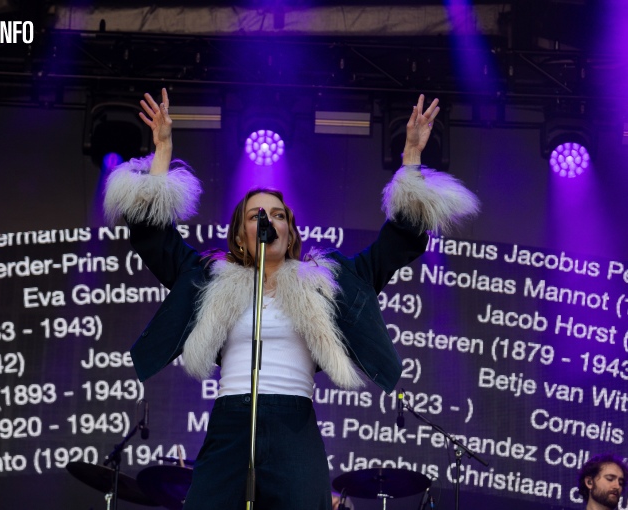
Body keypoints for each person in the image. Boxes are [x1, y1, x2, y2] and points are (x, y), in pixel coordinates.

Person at [103, 88, 479, 510]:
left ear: (290, 230)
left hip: (294, 424)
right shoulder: (209, 279)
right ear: (241, 233)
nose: (269, 220)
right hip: (231, 420)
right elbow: (154, 236)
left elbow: (395, 245)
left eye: (278, 215)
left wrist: (410, 158)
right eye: (256, 215)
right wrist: (162, 153)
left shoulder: (327, 282)